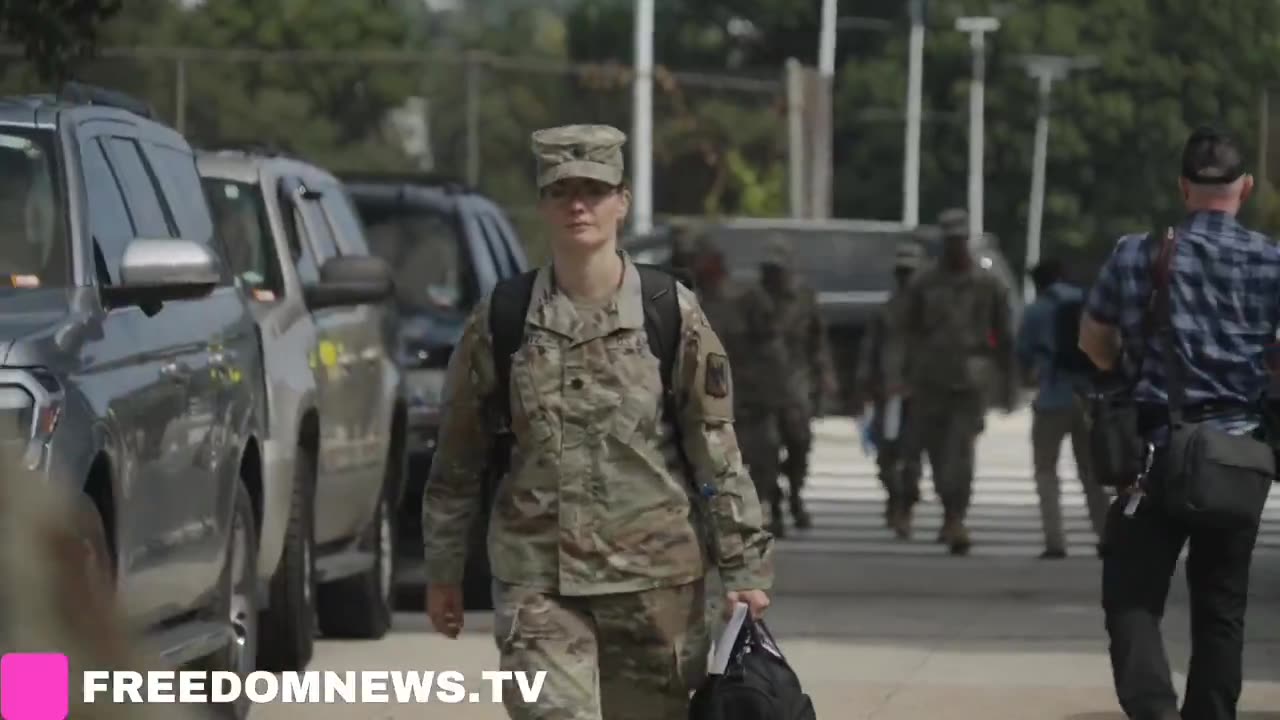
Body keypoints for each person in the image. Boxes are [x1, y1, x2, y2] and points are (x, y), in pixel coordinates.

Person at [421, 124, 774, 720]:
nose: (578, 204)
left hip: (655, 585)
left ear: (622, 202)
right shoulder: (503, 318)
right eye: (562, 192)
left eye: (594, 189)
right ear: (543, 204)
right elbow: (459, 458)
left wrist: (742, 563)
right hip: (539, 581)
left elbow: (714, 446)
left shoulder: (670, 313)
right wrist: (444, 570)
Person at [1080, 125, 1278, 720]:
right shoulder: (1274, 261)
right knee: (1222, 608)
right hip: (1237, 456)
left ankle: (1154, 711)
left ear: (1183, 188)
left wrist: (1129, 364)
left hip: (1156, 453)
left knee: (1131, 598)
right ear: (1244, 187)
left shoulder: (1137, 253)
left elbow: (1092, 338)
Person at [893, 208, 1015, 555]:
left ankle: (956, 518)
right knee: (933, 454)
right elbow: (905, 330)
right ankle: (945, 511)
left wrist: (1008, 384)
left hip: (970, 382)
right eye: (949, 241)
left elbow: (1004, 336)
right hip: (930, 381)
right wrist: (900, 376)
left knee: (959, 456)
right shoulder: (924, 283)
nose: (955, 247)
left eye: (960, 241)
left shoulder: (988, 283)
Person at [690, 233, 788, 538]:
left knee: (760, 456)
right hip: (708, 399)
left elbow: (771, 346)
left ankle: (767, 506)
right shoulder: (691, 302)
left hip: (750, 394)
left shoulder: (746, 298)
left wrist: (771, 391)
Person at [1016, 258, 1110, 559]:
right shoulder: (1087, 302)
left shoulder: (1036, 311)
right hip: (1088, 397)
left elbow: (1023, 354)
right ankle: (1107, 536)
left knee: (1046, 471)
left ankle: (1055, 540)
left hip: (1051, 397)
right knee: (1092, 472)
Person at [759, 235, 838, 532]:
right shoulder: (753, 299)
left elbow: (818, 341)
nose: (771, 276)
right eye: (767, 270)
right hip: (762, 387)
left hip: (796, 383)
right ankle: (774, 506)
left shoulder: (804, 298)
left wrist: (825, 376)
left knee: (799, 444)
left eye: (776, 270)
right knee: (764, 450)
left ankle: (795, 493)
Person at [853, 241, 925, 538]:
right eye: (902, 272)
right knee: (885, 457)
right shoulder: (886, 310)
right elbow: (871, 349)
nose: (905, 278)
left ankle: (905, 506)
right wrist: (865, 385)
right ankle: (894, 498)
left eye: (911, 272)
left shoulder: (931, 312)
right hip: (888, 392)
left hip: (920, 393)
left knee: (911, 456)